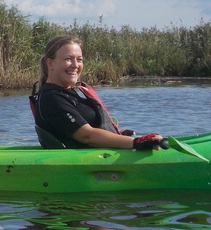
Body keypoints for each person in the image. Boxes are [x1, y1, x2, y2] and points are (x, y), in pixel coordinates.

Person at [30, 35, 164, 150]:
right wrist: (136, 143)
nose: (75, 65)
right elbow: (86, 135)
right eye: (68, 59)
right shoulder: (52, 98)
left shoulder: (67, 93)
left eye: (79, 59)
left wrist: (119, 136)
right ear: (50, 63)